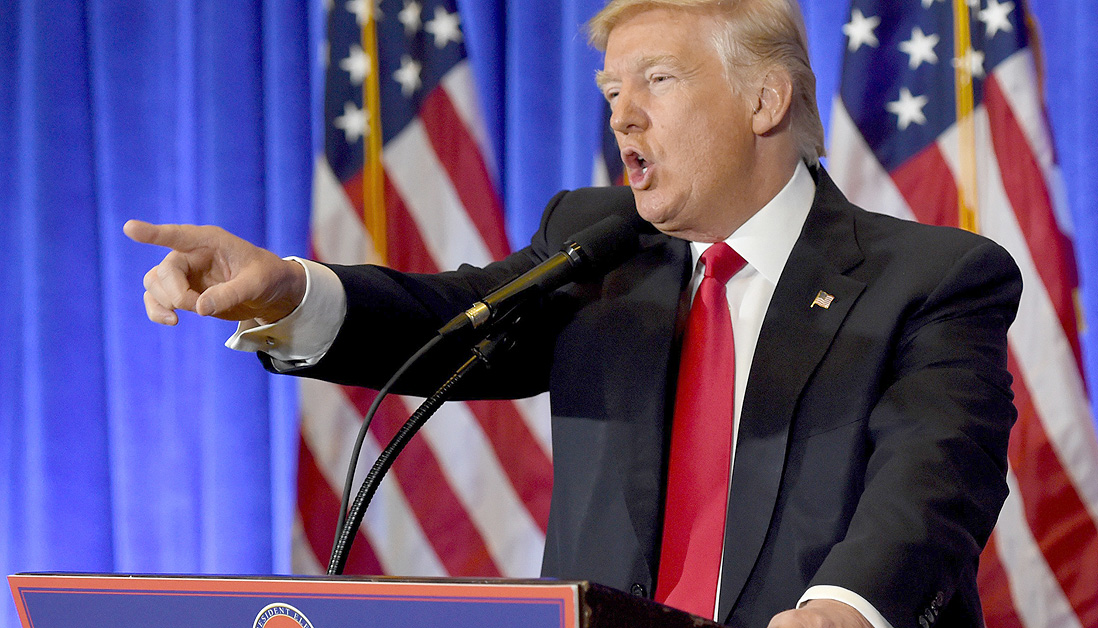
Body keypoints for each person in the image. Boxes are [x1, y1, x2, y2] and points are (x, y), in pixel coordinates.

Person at [125, 0, 1022, 627]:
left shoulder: (931, 278)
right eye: (609, 92)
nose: (622, 115)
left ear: (765, 99)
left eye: (657, 81)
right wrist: (288, 288)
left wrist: (847, 610)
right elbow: (445, 323)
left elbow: (938, 476)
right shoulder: (598, 246)